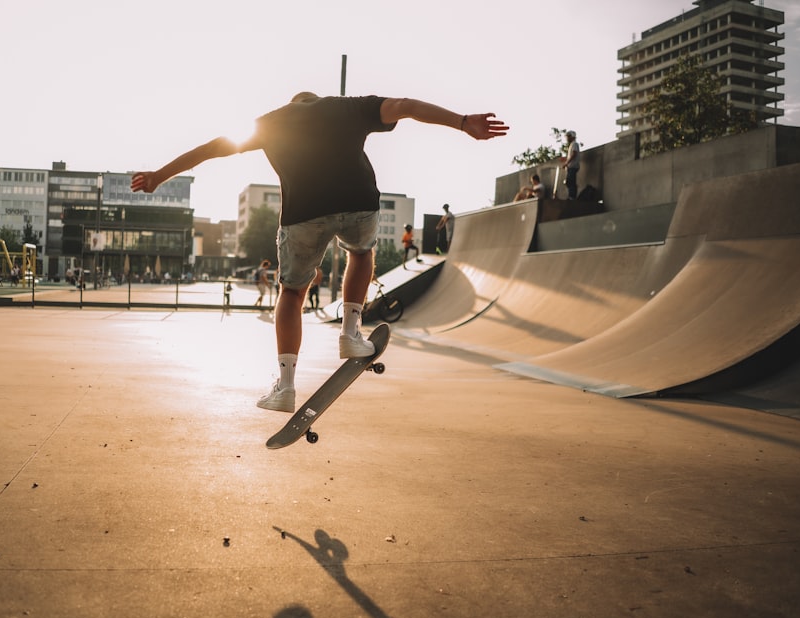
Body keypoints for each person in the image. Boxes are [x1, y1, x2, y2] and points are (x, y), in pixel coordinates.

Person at [131, 93, 508, 412]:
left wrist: (159, 176)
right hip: (359, 204)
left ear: (293, 105)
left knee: (292, 293)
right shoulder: (347, 107)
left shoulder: (270, 123)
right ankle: (350, 334)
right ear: (316, 100)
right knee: (361, 253)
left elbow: (214, 148)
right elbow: (406, 106)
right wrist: (462, 122)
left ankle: (286, 387)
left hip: (302, 216)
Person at [561, 130, 580, 200]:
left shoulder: (574, 144)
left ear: (571, 137)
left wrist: (566, 163)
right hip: (571, 166)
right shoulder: (572, 144)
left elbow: (574, 154)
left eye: (568, 136)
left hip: (573, 166)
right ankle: (571, 196)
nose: (567, 138)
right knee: (570, 181)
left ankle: (572, 196)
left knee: (570, 181)